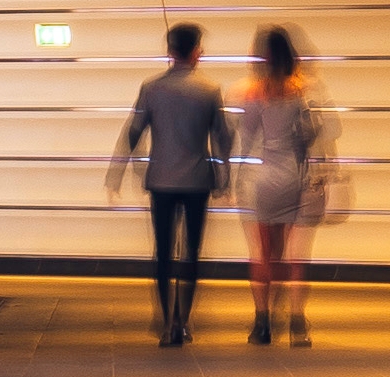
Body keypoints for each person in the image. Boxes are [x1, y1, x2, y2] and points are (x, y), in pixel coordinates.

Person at [111, 22, 231, 346]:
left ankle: (167, 323)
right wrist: (224, 178)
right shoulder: (210, 89)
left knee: (163, 253)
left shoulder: (151, 88)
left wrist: (117, 175)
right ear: (195, 51)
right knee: (191, 252)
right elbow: (222, 137)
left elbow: (133, 131)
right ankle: (185, 322)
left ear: (170, 50)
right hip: (196, 182)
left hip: (161, 181)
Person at [230, 27, 327, 349]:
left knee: (262, 254)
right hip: (296, 178)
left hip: (262, 179)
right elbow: (315, 135)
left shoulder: (253, 92)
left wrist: (233, 180)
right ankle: (298, 324)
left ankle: (262, 324)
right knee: (294, 256)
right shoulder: (304, 91)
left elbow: (246, 140)